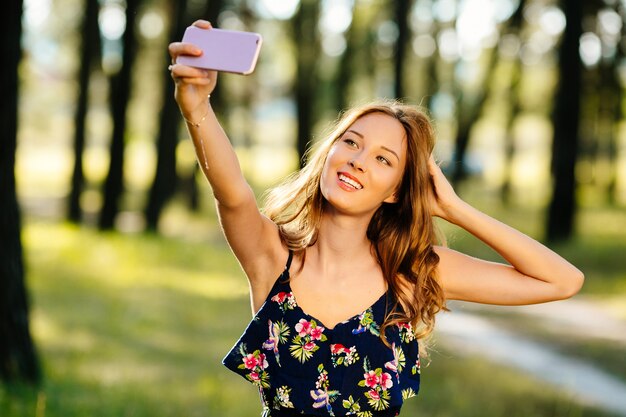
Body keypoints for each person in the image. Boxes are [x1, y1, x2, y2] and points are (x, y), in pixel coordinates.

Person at [168, 20, 584, 417]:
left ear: (396, 191)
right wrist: (196, 104)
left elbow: (562, 281)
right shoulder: (272, 259)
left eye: (383, 159)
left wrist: (456, 209)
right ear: (329, 153)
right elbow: (233, 193)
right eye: (351, 142)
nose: (358, 161)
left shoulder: (412, 272)